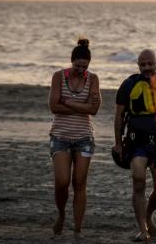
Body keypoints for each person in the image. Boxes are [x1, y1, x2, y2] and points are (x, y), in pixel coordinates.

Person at [48, 38, 101, 239]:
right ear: (71, 61)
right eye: (78, 66)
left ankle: (78, 229)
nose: (81, 70)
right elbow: (54, 107)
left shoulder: (93, 79)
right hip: (60, 135)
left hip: (84, 137)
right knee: (62, 181)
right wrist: (82, 106)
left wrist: (68, 101)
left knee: (79, 183)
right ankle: (61, 214)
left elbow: (94, 110)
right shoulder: (58, 77)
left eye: (85, 66)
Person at [113, 49, 156, 242]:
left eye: (150, 64)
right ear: (138, 64)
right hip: (137, 143)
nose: (146, 68)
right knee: (138, 180)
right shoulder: (128, 84)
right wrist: (118, 143)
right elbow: (119, 115)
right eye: (142, 64)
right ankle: (142, 229)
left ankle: (149, 216)